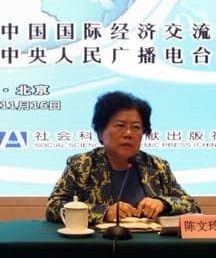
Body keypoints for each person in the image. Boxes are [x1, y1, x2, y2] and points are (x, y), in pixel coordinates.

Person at [45, 90, 201, 225]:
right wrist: (104, 212)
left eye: (136, 127)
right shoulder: (82, 165)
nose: (128, 134)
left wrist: (164, 203)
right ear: (101, 132)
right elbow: (54, 207)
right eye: (120, 125)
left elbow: (192, 206)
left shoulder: (157, 166)